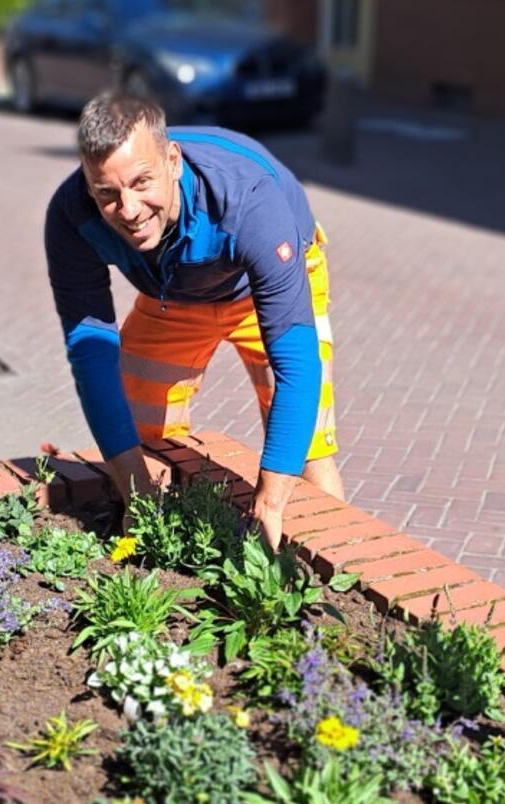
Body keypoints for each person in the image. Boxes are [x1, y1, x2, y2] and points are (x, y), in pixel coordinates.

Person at [44, 91, 345, 550]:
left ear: (173, 161)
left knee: (307, 446)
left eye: (142, 182)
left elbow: (297, 365)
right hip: (174, 299)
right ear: (88, 184)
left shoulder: (249, 203)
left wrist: (268, 504)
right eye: (106, 192)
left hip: (261, 287)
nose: (128, 209)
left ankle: (339, 558)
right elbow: (91, 356)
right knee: (144, 436)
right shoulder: (71, 218)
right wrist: (133, 491)